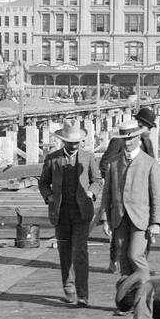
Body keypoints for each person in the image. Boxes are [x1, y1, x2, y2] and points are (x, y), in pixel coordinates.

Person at [97, 119, 160, 299]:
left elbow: (158, 195)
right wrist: (105, 219)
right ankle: (128, 300)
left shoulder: (149, 163)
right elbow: (107, 194)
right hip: (119, 218)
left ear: (138, 138)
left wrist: (156, 222)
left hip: (141, 219)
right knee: (124, 261)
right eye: (124, 140)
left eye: (131, 139)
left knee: (135, 255)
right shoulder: (114, 164)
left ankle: (145, 298)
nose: (127, 143)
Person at [38, 124, 102, 307]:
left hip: (82, 213)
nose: (74, 145)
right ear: (64, 141)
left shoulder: (88, 158)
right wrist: (49, 196)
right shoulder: (52, 159)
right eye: (70, 142)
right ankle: (68, 287)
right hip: (60, 213)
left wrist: (91, 192)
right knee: (64, 252)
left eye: (77, 142)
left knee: (80, 251)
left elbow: (97, 180)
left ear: (80, 141)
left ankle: (83, 294)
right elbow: (43, 183)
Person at [101, 106, 158, 273]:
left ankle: (141, 266)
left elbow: (151, 166)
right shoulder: (119, 141)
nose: (149, 131)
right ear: (140, 125)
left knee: (143, 238)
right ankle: (117, 262)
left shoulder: (146, 142)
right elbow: (105, 163)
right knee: (120, 239)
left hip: (142, 199)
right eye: (148, 127)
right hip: (121, 199)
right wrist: (117, 180)